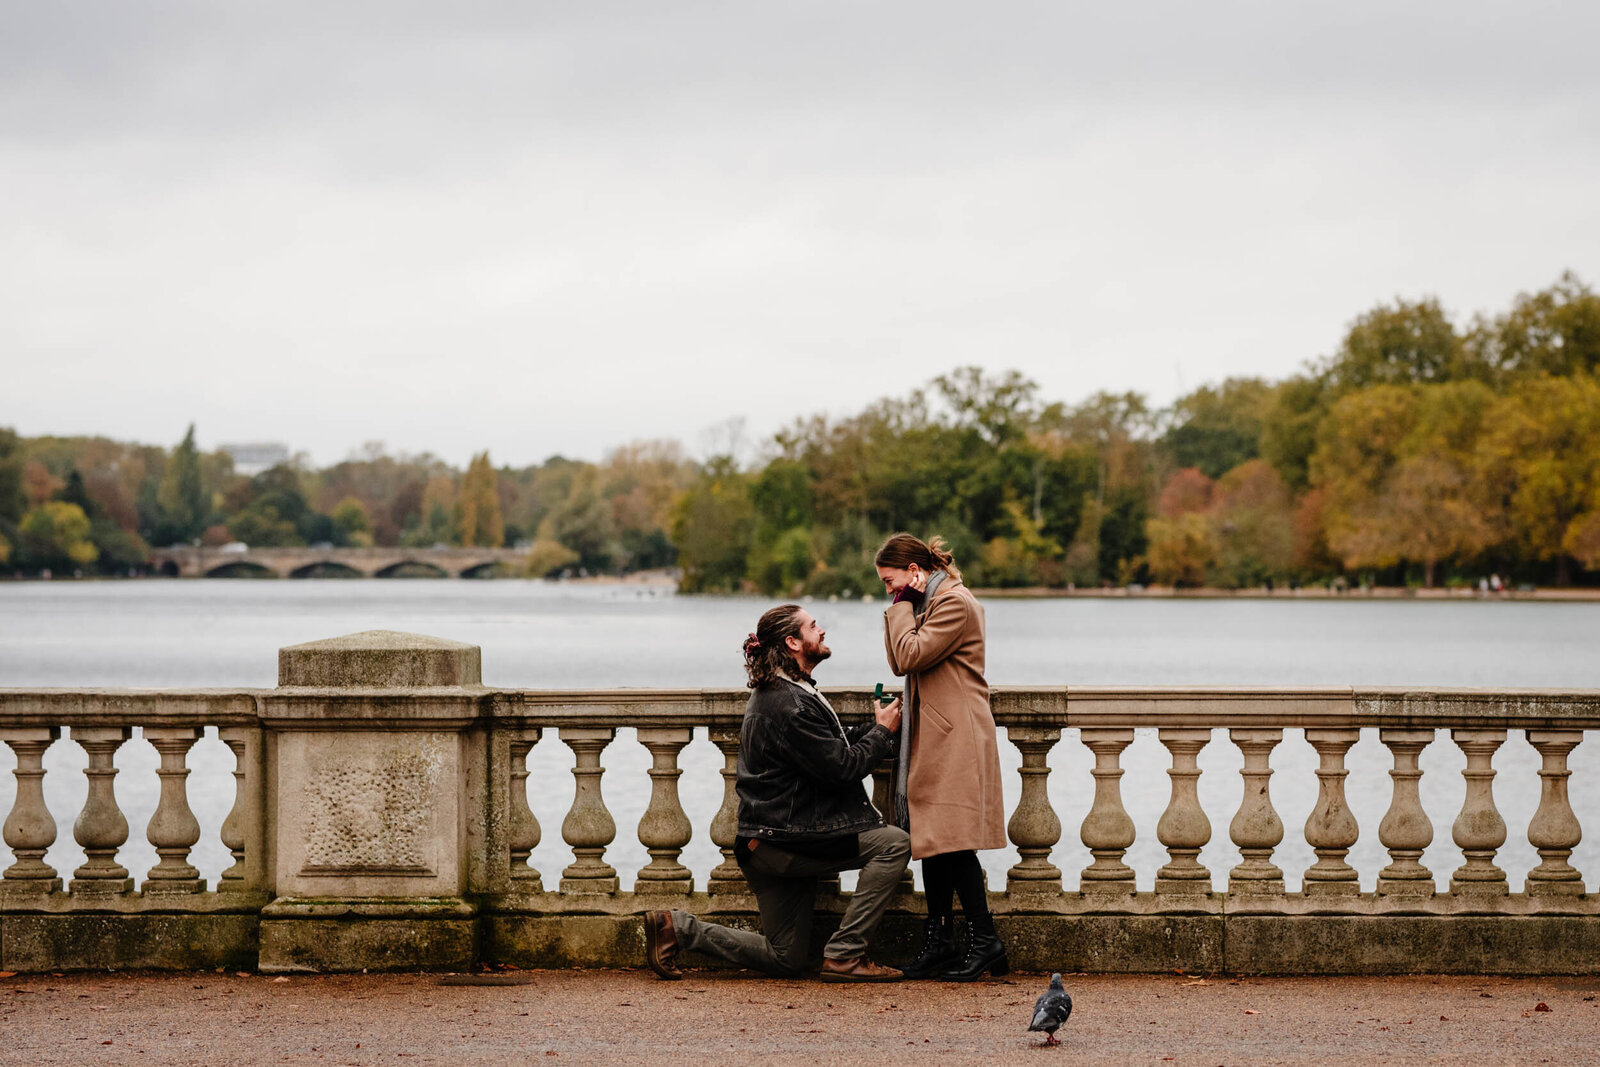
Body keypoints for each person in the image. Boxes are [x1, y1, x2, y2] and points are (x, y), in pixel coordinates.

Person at [643, 604, 910, 982]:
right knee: (894, 844)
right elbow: (842, 768)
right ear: (792, 641)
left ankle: (679, 929)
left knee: (786, 958)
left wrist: (879, 727)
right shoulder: (790, 703)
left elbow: (829, 746)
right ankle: (845, 955)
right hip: (788, 844)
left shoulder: (785, 690)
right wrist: (882, 733)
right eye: (814, 626)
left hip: (765, 843)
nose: (822, 631)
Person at [875, 532, 1008, 981]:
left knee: (953, 840)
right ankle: (942, 940)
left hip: (957, 735)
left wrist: (900, 606)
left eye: (891, 582)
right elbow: (900, 661)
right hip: (936, 733)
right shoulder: (927, 603)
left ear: (915, 572)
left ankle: (985, 939)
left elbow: (909, 654)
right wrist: (904, 605)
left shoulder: (954, 602)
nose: (889, 592)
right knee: (933, 840)